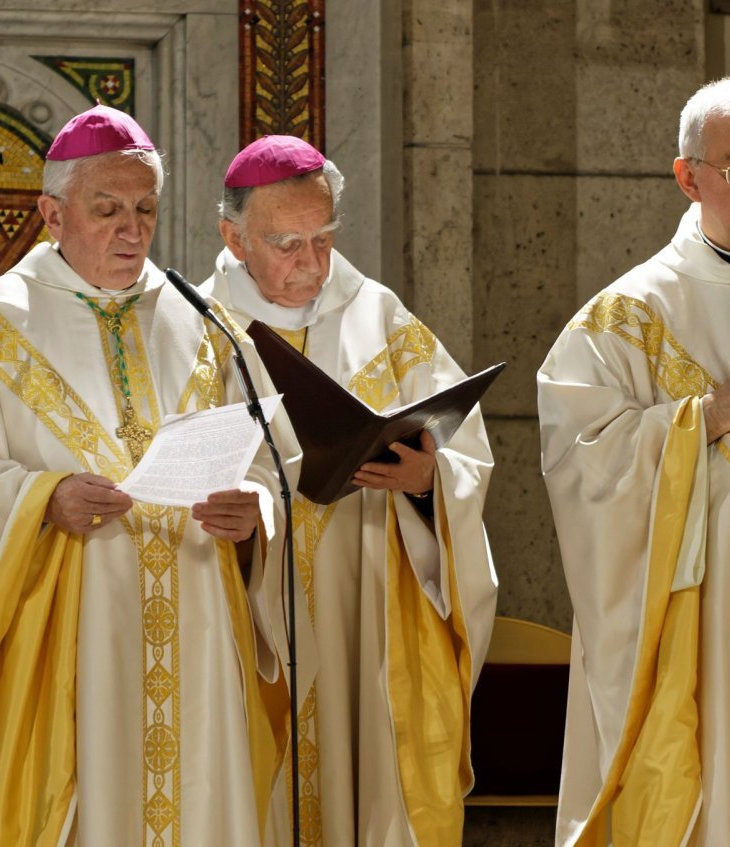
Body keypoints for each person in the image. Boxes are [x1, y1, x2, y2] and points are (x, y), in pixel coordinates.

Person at [0, 105, 295, 846]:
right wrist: (40, 497)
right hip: (67, 644)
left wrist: (258, 513)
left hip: (200, 632)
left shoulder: (203, 323)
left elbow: (266, 463)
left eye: (145, 208)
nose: (131, 228)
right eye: (107, 208)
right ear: (51, 214)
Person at [200, 135, 498, 846]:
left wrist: (429, 483)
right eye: (287, 243)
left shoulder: (380, 315)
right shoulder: (197, 328)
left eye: (325, 237)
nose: (311, 262)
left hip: (371, 608)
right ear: (233, 237)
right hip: (254, 613)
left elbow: (464, 450)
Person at [538, 77, 730, 846]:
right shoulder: (629, 315)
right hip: (720, 637)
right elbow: (582, 462)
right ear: (687, 176)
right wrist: (705, 417)